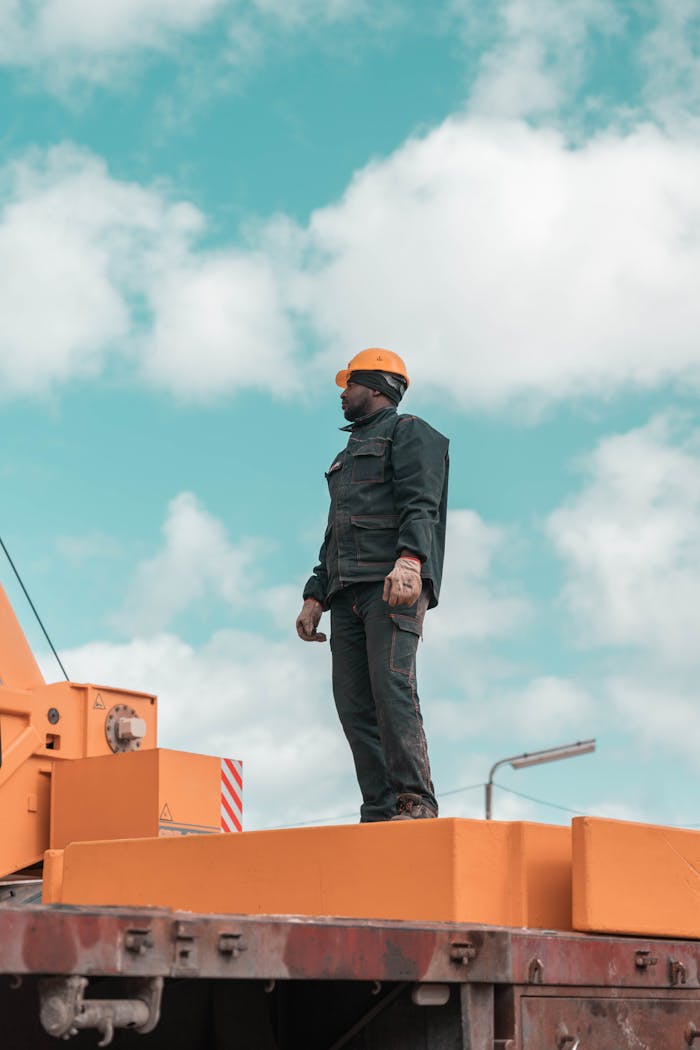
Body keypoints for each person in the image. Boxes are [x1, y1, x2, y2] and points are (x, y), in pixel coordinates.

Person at [296, 348, 449, 822]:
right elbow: (335, 531)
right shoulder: (345, 456)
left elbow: (420, 502)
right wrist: (315, 593)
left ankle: (414, 801)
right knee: (353, 705)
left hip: (391, 585)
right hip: (346, 593)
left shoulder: (409, 433)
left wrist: (410, 559)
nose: (343, 393)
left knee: (392, 689)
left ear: (377, 386)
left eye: (350, 384)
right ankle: (380, 809)